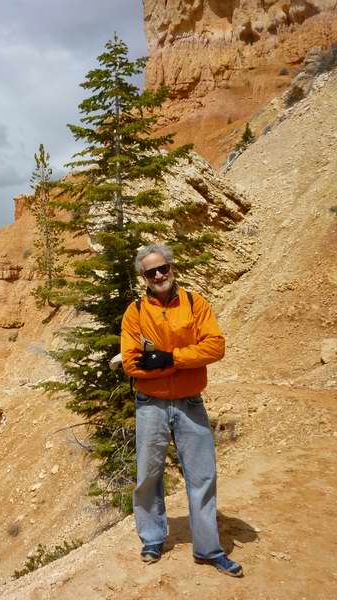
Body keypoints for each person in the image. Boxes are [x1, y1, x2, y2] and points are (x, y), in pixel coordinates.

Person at [120, 243, 243, 577]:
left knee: (202, 475)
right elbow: (132, 363)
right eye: (151, 272)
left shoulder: (194, 303)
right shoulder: (135, 311)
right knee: (148, 475)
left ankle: (208, 550)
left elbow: (215, 346)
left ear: (172, 268)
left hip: (190, 402)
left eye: (164, 268)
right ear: (143, 278)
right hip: (151, 404)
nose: (159, 275)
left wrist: (170, 359)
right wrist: (185, 359)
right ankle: (152, 538)